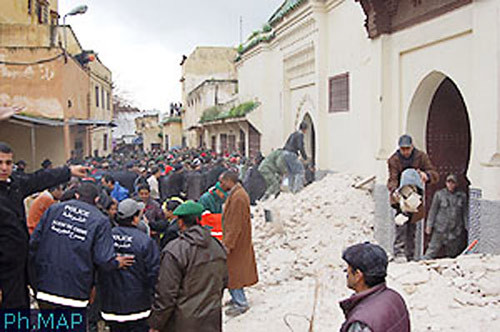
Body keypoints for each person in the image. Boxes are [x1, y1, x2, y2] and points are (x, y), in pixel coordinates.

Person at [0, 142, 88, 309]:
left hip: (20, 263)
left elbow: (39, 179)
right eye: (0, 163)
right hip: (4, 266)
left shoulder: (14, 184)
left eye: (8, 163)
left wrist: (68, 171)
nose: (4, 168)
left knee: (19, 307)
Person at [29, 182, 134, 309]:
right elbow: (103, 260)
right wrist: (117, 263)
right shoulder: (100, 221)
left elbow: (34, 243)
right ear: (96, 199)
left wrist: (32, 278)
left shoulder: (54, 209)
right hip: (76, 291)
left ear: (77, 196)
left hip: (45, 286)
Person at [148, 201, 227, 332]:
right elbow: (223, 281)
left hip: (182, 322)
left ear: (180, 222)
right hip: (211, 320)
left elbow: (166, 294)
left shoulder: (175, 250)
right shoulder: (217, 246)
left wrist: (156, 324)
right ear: (199, 219)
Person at [99, 199, 160, 332]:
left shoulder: (105, 237)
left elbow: (98, 263)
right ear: (135, 218)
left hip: (111, 304)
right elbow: (153, 274)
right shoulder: (145, 241)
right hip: (138, 307)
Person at [387, 134, 439, 262]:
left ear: (412, 147)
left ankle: (410, 255)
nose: (405, 152)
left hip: (415, 196)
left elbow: (434, 174)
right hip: (401, 195)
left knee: (413, 227)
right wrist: (395, 191)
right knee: (401, 223)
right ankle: (399, 252)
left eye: (407, 149)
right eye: (402, 149)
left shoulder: (421, 157)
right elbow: (392, 179)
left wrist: (426, 175)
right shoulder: (393, 160)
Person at [339, 242, 410, 332]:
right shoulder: (395, 298)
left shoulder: (361, 323)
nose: (346, 274)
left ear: (358, 275)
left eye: (348, 269)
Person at [219, 171, 258, 316]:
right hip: (237, 241)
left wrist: (228, 244)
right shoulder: (237, 194)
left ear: (229, 181)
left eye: (222, 182)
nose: (221, 185)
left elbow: (234, 224)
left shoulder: (238, 197)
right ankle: (236, 297)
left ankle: (241, 302)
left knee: (234, 272)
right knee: (233, 272)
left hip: (236, 242)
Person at [423, 174, 468, 259]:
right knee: (431, 251)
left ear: (456, 184)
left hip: (455, 230)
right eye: (449, 182)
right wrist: (429, 225)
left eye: (453, 183)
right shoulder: (439, 195)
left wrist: (467, 227)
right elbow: (433, 211)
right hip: (440, 228)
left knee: (453, 254)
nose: (450, 185)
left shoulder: (461, 196)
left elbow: (465, 212)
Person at [283, 122, 308, 193]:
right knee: (300, 171)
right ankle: (297, 190)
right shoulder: (300, 135)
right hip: (291, 153)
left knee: (291, 172)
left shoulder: (293, 134)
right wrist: (305, 157)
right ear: (304, 129)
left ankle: (290, 189)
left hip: (285, 153)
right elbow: (301, 146)